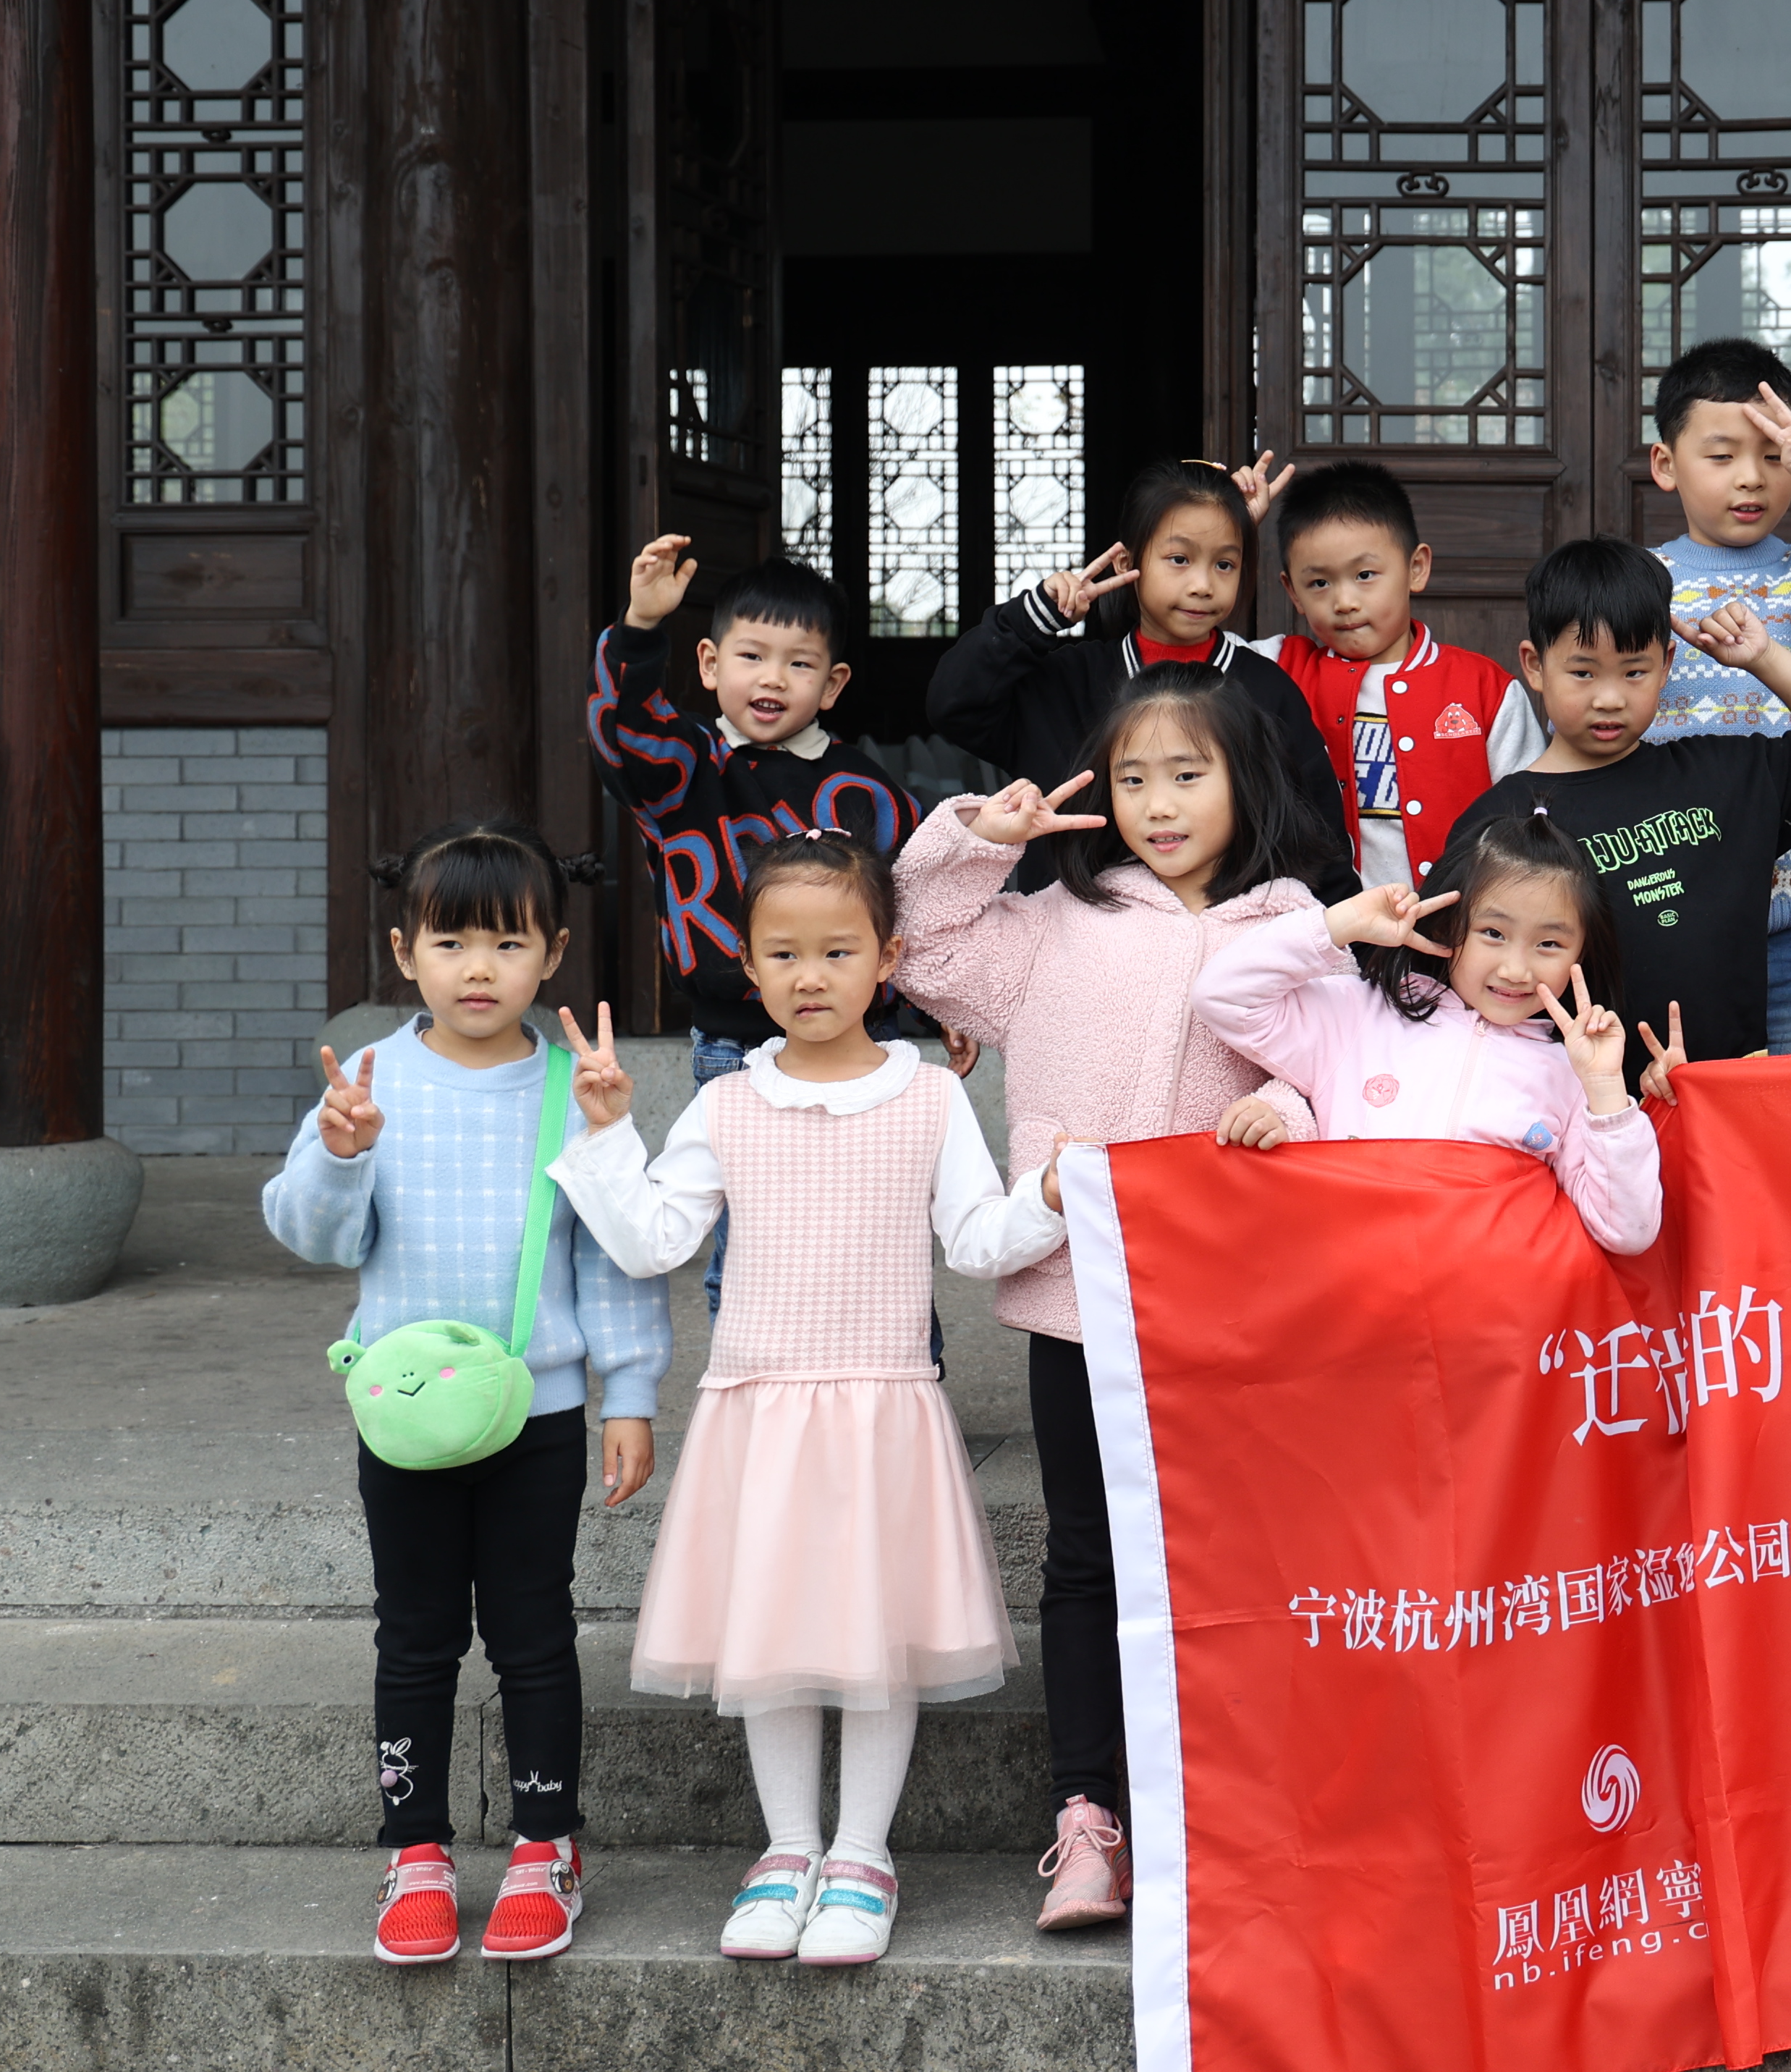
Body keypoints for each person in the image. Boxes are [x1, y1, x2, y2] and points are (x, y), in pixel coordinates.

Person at [887, 665, 1335, 1932]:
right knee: (1085, 1558)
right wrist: (978, 839)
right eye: (1132, 777)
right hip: (1083, 1300)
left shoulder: (1295, 924)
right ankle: (1089, 1818)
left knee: (1224, 1563)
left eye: (1186, 772)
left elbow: (1348, 1072)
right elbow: (921, 948)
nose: (1156, 801)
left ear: (1246, 779)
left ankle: (1223, 1814)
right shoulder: (1052, 921)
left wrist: (1292, 1107)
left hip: (1232, 1307)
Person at [543, 834, 1026, 1970]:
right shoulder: (727, 1106)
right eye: (785, 954)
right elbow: (654, 1238)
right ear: (749, 969)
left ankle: (862, 1855)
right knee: (771, 1629)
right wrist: (607, 1130)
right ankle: (786, 1847)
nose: (812, 976)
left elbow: (978, 1238)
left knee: (880, 1637)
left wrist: (1058, 1186)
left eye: (839, 950)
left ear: (889, 960)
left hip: (884, 1412)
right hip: (759, 1409)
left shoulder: (928, 1097)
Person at [262, 823, 669, 1969]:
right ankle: (418, 1849)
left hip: (536, 1417)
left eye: (508, 942)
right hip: (405, 1416)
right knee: (418, 1634)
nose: (478, 967)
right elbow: (306, 1235)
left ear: (554, 955)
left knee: (535, 1634)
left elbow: (615, 1255)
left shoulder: (571, 1087)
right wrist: (339, 1153)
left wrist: (628, 1394)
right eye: (451, 941)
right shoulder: (371, 1084)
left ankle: (546, 1845)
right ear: (405, 952)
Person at [1496, 339, 1791, 1053]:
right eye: (1721, 455)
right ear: (1665, 465)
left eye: (1770, 457)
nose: (1750, 480)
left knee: (1780, 1118)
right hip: (1657, 908)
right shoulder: (1643, 584)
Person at [1491, 538, 1791, 1065]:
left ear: (1667, 664)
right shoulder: (1502, 823)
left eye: (1634, 671)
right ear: (1535, 666)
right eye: (1583, 672)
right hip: (1579, 1113)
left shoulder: (1721, 778)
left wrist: (1765, 658)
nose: (1609, 697)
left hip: (1725, 1106)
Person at [1191, 805, 1664, 1252]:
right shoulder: (1359, 1016)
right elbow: (1222, 996)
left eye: (1549, 943)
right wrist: (1341, 923)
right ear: (1447, 926)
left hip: (1484, 1322)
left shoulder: (1573, 1078)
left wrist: (1605, 1092)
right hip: (1347, 1303)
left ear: (1581, 955)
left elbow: (1627, 1233)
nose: (1517, 969)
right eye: (1493, 933)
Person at [918, 454, 1355, 900]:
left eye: (1225, 564)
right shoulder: (1069, 682)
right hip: (1072, 954)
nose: (1203, 584)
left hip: (1226, 957)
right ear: (1128, 560)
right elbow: (955, 704)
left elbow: (1320, 846)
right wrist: (1035, 617)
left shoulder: (1265, 690)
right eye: (1180, 559)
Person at [588, 544, 923, 1091]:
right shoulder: (687, 764)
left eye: (799, 663)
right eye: (752, 657)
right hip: (731, 1046)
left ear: (833, 683)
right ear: (710, 664)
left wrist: (943, 1007)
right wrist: (641, 625)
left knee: (859, 1177)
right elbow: (624, 736)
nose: (773, 678)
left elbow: (917, 902)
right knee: (744, 1179)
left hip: (861, 1038)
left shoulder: (866, 790)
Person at [1264, 457, 1517, 896]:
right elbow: (1185, 648)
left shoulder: (1485, 688)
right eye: (1319, 584)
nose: (1344, 601)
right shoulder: (1278, 668)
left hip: (1460, 923)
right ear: (1293, 592)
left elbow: (1528, 817)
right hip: (1330, 930)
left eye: (1365, 575)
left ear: (1416, 568)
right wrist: (1229, 520)